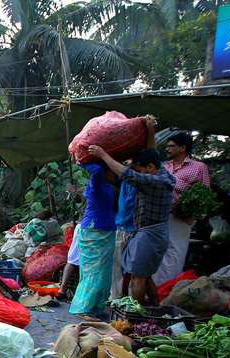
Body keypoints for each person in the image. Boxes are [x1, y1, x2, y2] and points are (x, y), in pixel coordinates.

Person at [89, 116, 175, 307]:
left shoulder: (154, 182)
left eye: (139, 169)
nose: (137, 173)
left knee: (137, 278)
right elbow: (152, 152)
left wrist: (103, 154)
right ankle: (155, 310)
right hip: (153, 233)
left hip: (148, 234)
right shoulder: (161, 172)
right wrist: (150, 130)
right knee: (146, 276)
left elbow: (127, 174)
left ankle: (133, 315)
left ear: (149, 168)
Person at [155, 132, 210, 285]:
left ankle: (168, 287)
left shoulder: (199, 167)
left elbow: (204, 193)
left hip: (181, 217)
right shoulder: (165, 167)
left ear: (183, 148)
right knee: (159, 250)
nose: (168, 149)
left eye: (171, 146)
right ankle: (155, 289)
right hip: (161, 215)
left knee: (175, 252)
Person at [69, 164, 118, 321]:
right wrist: (81, 160)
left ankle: (95, 307)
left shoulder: (108, 186)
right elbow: (96, 170)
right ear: (105, 171)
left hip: (106, 232)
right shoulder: (94, 186)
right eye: (111, 169)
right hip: (93, 232)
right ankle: (82, 308)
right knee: (94, 272)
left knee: (104, 274)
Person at [111, 179, 137, 299]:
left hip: (136, 228)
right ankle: (114, 297)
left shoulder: (145, 179)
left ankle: (133, 299)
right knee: (115, 264)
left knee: (135, 268)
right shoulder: (125, 178)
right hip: (120, 225)